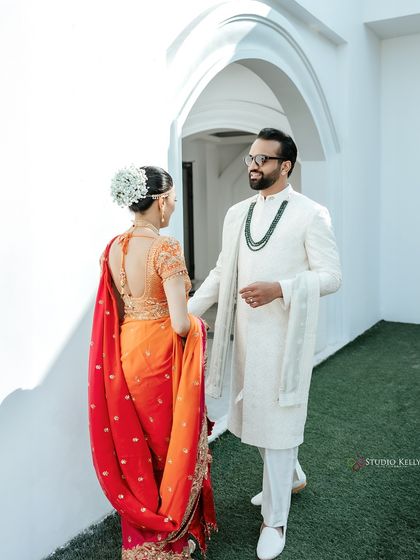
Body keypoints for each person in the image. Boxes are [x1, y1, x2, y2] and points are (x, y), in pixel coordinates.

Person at [188, 128, 341, 559]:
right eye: (250, 159)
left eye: (262, 160)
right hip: (243, 339)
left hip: (283, 339)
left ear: (285, 165)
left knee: (276, 424)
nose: (252, 166)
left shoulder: (311, 214)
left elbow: (332, 277)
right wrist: (187, 314)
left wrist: (281, 288)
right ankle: (290, 472)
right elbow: (221, 271)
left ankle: (275, 521)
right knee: (250, 413)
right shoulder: (237, 213)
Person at [88, 165, 216, 560]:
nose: (174, 207)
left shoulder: (112, 247)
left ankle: (142, 534)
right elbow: (180, 322)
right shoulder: (166, 248)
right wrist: (200, 326)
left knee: (138, 443)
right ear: (161, 201)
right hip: (160, 355)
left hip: (127, 350)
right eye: (173, 199)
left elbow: (118, 307)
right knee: (166, 445)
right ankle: (170, 534)